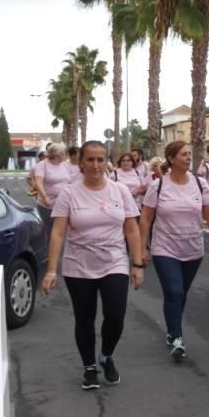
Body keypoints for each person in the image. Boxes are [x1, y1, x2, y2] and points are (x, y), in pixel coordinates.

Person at [41, 140, 144, 390]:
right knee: (85, 319)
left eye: (100, 159)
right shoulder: (69, 193)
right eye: (90, 159)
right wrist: (52, 270)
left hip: (115, 262)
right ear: (81, 163)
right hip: (79, 266)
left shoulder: (119, 191)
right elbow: (57, 233)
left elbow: (131, 229)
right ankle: (89, 367)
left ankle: (106, 356)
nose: (96, 165)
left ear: (106, 161)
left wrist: (138, 263)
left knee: (115, 315)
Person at [140, 141, 209, 361]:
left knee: (179, 294)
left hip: (192, 248)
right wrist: (141, 248)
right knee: (174, 291)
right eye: (183, 154)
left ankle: (171, 329)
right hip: (164, 248)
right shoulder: (158, 186)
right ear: (171, 158)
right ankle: (177, 337)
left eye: (189, 154)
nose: (188, 158)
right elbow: (146, 218)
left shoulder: (199, 183)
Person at [33, 142, 71, 242]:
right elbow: (38, 182)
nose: (65, 155)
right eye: (63, 153)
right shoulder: (42, 165)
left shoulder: (65, 165)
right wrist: (44, 197)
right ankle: (49, 255)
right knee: (50, 233)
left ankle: (61, 255)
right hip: (48, 205)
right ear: (56, 154)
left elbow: (69, 181)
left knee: (63, 232)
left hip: (64, 203)